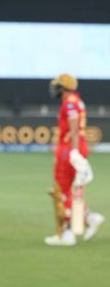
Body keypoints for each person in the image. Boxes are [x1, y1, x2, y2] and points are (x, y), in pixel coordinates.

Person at [44, 74, 104, 246]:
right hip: (73, 147)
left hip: (70, 149)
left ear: (63, 87)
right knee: (73, 190)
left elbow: (74, 125)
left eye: (57, 86)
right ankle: (88, 219)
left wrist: (74, 151)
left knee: (64, 190)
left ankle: (69, 232)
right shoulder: (76, 100)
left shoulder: (69, 101)